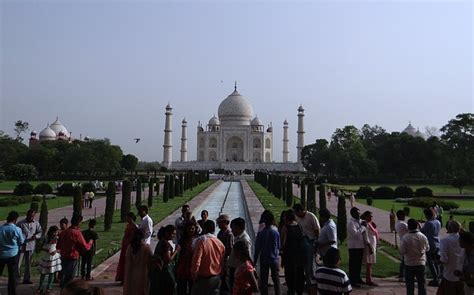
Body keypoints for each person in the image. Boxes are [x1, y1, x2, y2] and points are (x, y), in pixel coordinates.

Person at [57, 214, 93, 289]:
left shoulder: (63, 232)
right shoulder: (76, 233)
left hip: (63, 257)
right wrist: (90, 242)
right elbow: (85, 247)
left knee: (63, 277)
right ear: (79, 222)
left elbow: (58, 246)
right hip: (72, 257)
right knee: (69, 279)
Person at [190, 220, 225, 295]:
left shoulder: (202, 242)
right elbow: (222, 262)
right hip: (216, 278)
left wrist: (194, 275)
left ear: (204, 228)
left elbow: (196, 261)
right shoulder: (220, 243)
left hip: (203, 279)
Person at [293, 203, 320, 288]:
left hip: (310, 243)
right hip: (301, 244)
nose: (296, 215)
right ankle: (306, 283)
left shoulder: (311, 216)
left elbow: (317, 230)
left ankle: (311, 285)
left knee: (309, 266)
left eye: (296, 212)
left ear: (301, 210)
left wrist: (316, 243)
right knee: (302, 265)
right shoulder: (297, 218)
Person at [400, 218, 430, 295]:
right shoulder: (423, 236)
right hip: (421, 262)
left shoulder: (406, 237)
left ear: (408, 227)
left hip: (409, 263)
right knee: (422, 284)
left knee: (410, 285)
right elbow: (427, 248)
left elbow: (402, 251)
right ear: (417, 226)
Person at [254, 210, 280, 295]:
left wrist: (254, 261)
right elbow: (279, 246)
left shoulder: (261, 233)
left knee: (264, 281)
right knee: (276, 279)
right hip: (274, 259)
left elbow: (257, 249)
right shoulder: (276, 232)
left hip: (264, 259)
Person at [149, 225, 180, 295]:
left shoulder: (161, 242)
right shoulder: (166, 245)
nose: (174, 236)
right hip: (165, 272)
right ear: (167, 233)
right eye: (173, 234)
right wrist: (176, 251)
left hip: (158, 271)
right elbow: (168, 259)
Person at [281, 209, 306, 295]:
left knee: (289, 275)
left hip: (289, 255)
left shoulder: (286, 228)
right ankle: (299, 291)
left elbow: (283, 243)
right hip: (299, 255)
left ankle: (291, 290)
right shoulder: (299, 226)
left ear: (287, 217)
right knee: (299, 274)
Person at [0, 211, 24, 295]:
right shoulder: (17, 229)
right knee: (12, 276)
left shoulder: (1, 228)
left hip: (2, 254)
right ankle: (11, 293)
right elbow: (21, 241)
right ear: (15, 219)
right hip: (13, 254)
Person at [17, 209, 43, 284]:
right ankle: (16, 278)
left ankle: (26, 279)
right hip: (21, 246)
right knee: (18, 263)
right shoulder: (20, 223)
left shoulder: (36, 223)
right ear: (27, 215)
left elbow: (40, 231)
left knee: (28, 264)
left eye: (32, 216)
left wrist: (36, 236)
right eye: (30, 215)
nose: (31, 217)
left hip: (31, 245)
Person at [123, 229, 152, 295]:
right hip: (143, 274)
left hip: (131, 274)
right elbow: (151, 261)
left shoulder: (130, 247)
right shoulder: (146, 248)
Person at [438, 220, 464, 295]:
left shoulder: (445, 240)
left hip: (449, 274)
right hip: (461, 274)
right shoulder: (462, 239)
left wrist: (439, 261)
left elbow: (444, 259)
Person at [37, 225, 62, 295]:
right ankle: (40, 287)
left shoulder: (58, 239)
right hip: (47, 257)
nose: (55, 234)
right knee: (43, 272)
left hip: (54, 257)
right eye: (54, 232)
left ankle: (49, 287)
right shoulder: (46, 238)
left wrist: (56, 251)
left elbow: (60, 248)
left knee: (52, 272)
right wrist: (46, 249)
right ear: (51, 232)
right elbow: (41, 247)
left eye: (56, 232)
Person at [228, 217, 252, 291]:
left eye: (233, 228)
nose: (232, 231)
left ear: (238, 228)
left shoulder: (244, 239)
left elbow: (247, 256)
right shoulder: (238, 237)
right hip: (235, 267)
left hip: (239, 269)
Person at [346, 207, 366, 287]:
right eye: (357, 213)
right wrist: (363, 227)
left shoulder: (360, 221)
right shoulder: (350, 223)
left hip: (360, 245)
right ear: (352, 214)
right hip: (353, 246)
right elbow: (355, 234)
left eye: (359, 213)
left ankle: (358, 278)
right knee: (353, 264)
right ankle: (352, 280)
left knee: (359, 264)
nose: (359, 214)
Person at [421, 208, 441, 286]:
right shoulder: (437, 222)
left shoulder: (428, 223)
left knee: (430, 262)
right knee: (436, 262)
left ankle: (435, 278)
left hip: (430, 243)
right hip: (437, 242)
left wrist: (419, 225)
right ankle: (438, 277)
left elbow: (422, 232)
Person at [176, 222, 198, 295]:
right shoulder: (182, 240)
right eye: (189, 228)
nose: (191, 230)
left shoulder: (197, 240)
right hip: (183, 267)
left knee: (192, 288)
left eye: (192, 228)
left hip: (192, 266)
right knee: (182, 287)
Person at [116, 212, 138, 282]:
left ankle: (126, 278)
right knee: (123, 262)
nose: (126, 219)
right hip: (125, 245)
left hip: (128, 245)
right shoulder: (129, 225)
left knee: (127, 262)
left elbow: (132, 237)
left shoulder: (134, 226)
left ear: (131, 217)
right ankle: (122, 278)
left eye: (127, 217)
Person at [216, 214, 234, 295]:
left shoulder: (229, 234)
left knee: (226, 279)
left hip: (226, 260)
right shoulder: (220, 232)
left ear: (226, 223)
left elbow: (229, 249)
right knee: (222, 279)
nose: (218, 224)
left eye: (220, 222)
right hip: (221, 259)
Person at [361, 211, 378, 286]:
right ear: (366, 216)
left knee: (370, 263)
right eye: (370, 216)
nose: (371, 218)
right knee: (369, 263)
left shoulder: (369, 224)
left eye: (372, 216)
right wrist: (370, 247)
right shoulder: (365, 224)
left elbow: (374, 233)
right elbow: (366, 237)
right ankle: (369, 279)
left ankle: (369, 278)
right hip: (369, 246)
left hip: (372, 245)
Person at [395, 210, 408, 282]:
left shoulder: (397, 223)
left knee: (403, 260)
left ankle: (401, 274)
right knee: (406, 261)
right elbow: (412, 229)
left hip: (403, 241)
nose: (404, 217)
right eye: (403, 215)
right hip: (406, 243)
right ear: (400, 216)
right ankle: (403, 275)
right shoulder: (403, 224)